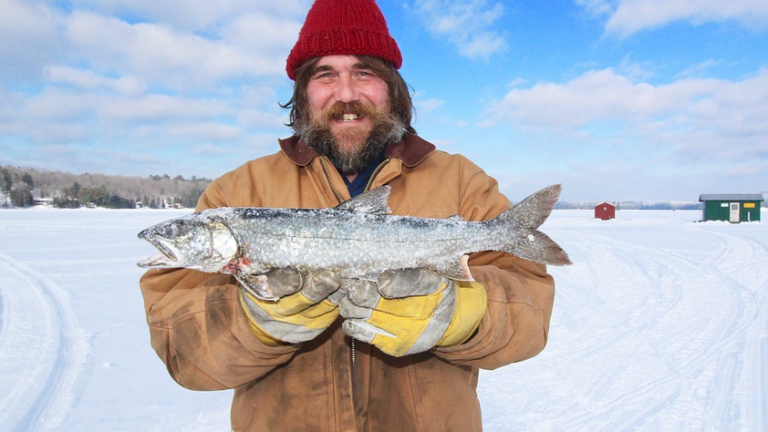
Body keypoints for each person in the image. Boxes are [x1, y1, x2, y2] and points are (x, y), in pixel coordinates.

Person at [139, 0, 556, 431]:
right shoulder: (237, 189)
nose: (346, 94)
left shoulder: (461, 180)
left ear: (393, 87)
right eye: (325, 74)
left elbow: (531, 317)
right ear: (302, 93)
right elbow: (179, 349)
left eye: (364, 72)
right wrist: (253, 324)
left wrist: (462, 315)